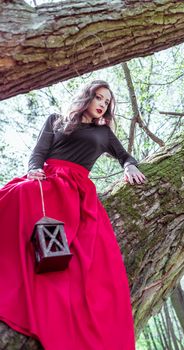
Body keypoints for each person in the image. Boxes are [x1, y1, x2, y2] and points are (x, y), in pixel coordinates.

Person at [0, 80, 146, 350]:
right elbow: (38, 153)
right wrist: (33, 169)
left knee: (87, 257)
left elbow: (125, 156)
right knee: (16, 195)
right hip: (46, 181)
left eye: (107, 101)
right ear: (87, 97)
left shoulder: (103, 134)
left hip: (76, 191)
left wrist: (129, 167)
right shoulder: (56, 119)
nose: (103, 104)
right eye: (99, 97)